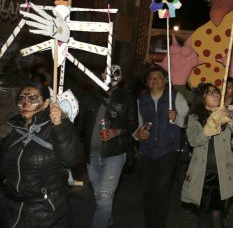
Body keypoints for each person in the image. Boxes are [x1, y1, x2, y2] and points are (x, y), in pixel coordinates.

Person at [0, 82, 82, 227]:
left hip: (45, 212)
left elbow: (71, 159)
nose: (25, 103)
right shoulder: (10, 129)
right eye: (21, 99)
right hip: (11, 211)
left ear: (45, 103)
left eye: (32, 98)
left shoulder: (55, 127)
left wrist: (60, 126)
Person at [76, 65, 138, 228]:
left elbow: (134, 125)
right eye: (105, 73)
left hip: (115, 154)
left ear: (120, 77)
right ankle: (107, 220)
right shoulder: (89, 97)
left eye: (113, 74)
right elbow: (79, 126)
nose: (108, 77)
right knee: (99, 196)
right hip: (92, 155)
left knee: (104, 197)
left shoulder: (127, 98)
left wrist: (117, 132)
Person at [181, 83, 233, 228]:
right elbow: (194, 140)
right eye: (211, 93)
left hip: (222, 174)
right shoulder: (194, 118)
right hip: (202, 175)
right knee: (204, 218)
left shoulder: (227, 113)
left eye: (217, 92)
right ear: (202, 98)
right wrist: (211, 125)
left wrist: (229, 119)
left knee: (217, 214)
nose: (216, 94)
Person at [134, 66, 189, 228]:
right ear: (147, 82)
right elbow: (137, 126)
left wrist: (177, 117)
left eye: (158, 76)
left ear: (165, 80)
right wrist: (138, 134)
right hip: (147, 151)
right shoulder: (141, 101)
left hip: (168, 150)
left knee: (162, 189)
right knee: (148, 192)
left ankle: (160, 223)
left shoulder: (175, 97)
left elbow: (189, 121)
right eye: (151, 77)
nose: (155, 79)